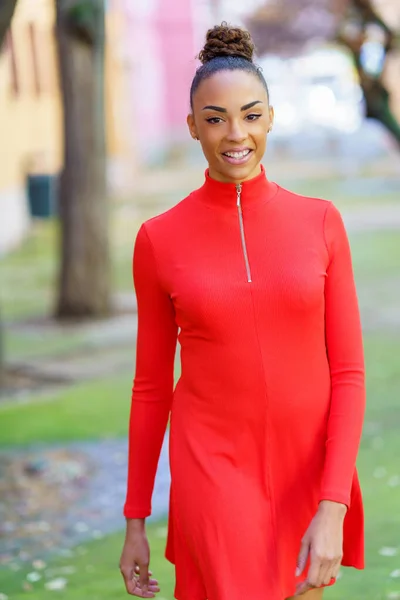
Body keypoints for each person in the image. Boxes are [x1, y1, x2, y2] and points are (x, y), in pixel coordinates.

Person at [119, 23, 366, 600]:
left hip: (309, 472)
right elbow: (151, 386)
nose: (235, 134)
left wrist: (335, 503)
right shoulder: (159, 239)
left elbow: (349, 374)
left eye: (251, 116)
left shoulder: (322, 223)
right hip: (213, 471)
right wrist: (135, 519)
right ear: (192, 127)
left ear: (271, 118)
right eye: (215, 118)